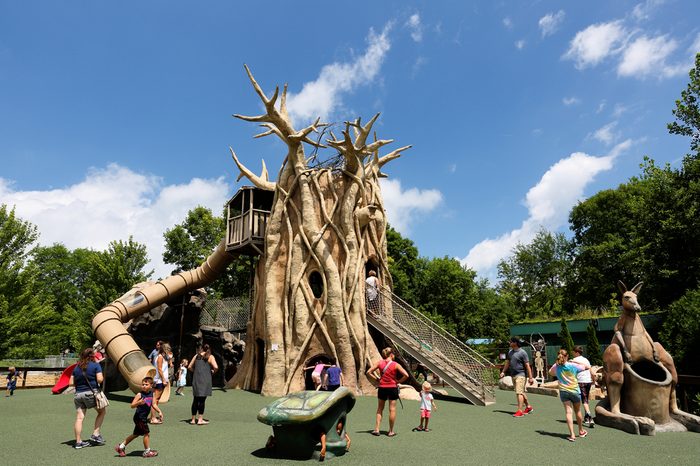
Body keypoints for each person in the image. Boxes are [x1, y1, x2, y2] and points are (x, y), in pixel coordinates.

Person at [549, 348, 591, 442]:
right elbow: (587, 366)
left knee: (568, 412)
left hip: (564, 391)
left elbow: (550, 372)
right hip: (575, 391)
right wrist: (574, 361)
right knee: (578, 411)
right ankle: (581, 431)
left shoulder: (556, 366)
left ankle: (572, 435)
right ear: (567, 356)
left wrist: (556, 364)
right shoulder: (573, 365)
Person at [366, 347, 409, 437]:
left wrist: (378, 379)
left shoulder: (379, 363)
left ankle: (377, 429)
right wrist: (398, 381)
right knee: (392, 409)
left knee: (380, 409)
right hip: (392, 388)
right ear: (391, 355)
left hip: (382, 388)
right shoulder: (395, 364)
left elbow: (368, 372)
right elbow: (406, 375)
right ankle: (391, 431)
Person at [70, 347, 107, 449]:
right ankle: (95, 434)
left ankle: (78, 442)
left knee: (79, 418)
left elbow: (70, 383)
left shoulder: (76, 367)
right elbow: (100, 380)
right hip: (90, 393)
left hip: (78, 395)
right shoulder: (96, 365)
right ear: (92, 356)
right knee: (102, 412)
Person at [115, 376, 158, 458]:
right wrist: (138, 402)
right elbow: (132, 405)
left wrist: (159, 411)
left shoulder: (152, 394)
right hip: (139, 417)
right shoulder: (139, 394)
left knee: (136, 434)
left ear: (151, 385)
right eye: (143, 384)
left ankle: (120, 447)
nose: (144, 386)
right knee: (147, 433)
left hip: (143, 418)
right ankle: (147, 452)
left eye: (146, 384)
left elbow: (154, 404)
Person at [499, 336, 535, 417]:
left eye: (511, 341)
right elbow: (507, 363)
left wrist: (531, 377)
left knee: (519, 392)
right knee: (520, 392)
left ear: (515, 343)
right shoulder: (510, 352)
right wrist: (503, 372)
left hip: (521, 375)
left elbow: (527, 366)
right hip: (513, 375)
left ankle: (520, 411)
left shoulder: (523, 352)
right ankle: (528, 407)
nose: (509, 343)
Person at [188, 343, 218, 425]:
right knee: (202, 400)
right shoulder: (210, 357)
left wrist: (196, 372)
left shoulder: (196, 356)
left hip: (196, 379)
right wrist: (212, 371)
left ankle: (193, 420)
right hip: (205, 380)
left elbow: (189, 366)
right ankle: (200, 419)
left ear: (202, 349)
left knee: (195, 399)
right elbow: (216, 367)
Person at [571, 346, 594, 428]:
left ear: (577, 352)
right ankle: (587, 418)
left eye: (573, 352)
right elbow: (591, 370)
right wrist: (593, 380)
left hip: (581, 381)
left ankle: (590, 417)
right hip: (588, 381)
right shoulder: (586, 359)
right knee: (586, 399)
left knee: (584, 400)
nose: (572, 353)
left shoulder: (574, 360)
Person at [150, 343, 170, 424]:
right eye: (168, 349)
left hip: (160, 380)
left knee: (156, 400)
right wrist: (163, 380)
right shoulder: (160, 357)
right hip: (159, 380)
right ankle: (153, 418)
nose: (169, 350)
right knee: (155, 400)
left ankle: (152, 417)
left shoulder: (163, 357)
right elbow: (159, 369)